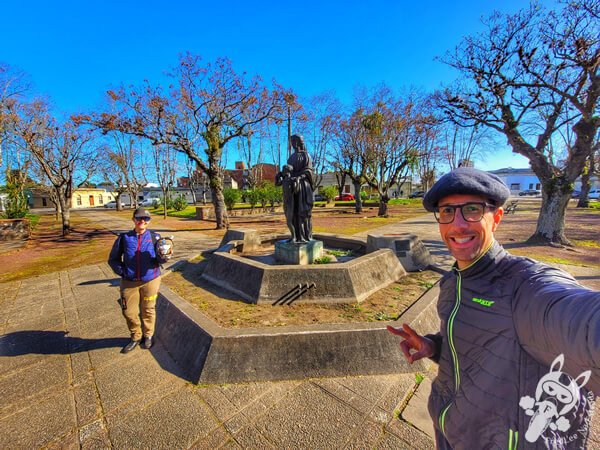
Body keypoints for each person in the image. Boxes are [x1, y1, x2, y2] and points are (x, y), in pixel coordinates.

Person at [387, 167, 599, 449]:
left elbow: (580, 323)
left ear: (496, 217)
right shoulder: (453, 283)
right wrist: (434, 346)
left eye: (472, 210)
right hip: (449, 433)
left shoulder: (524, 286)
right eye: (447, 212)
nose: (458, 224)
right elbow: (480, 342)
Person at [108, 207, 169, 353]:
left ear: (149, 221)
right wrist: (123, 272)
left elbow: (160, 259)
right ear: (133, 219)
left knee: (148, 309)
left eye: (146, 218)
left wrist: (164, 256)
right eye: (139, 218)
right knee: (128, 312)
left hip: (151, 280)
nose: (142, 221)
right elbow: (113, 259)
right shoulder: (124, 238)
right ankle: (136, 336)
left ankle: (148, 335)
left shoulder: (155, 237)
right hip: (129, 282)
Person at [276, 134, 315, 243]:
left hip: (303, 187)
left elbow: (309, 171)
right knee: (293, 212)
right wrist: (281, 174)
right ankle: (295, 236)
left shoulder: (306, 156)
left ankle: (304, 236)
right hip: (293, 188)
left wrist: (299, 177)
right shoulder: (291, 157)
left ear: (298, 142)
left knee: (302, 213)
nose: (292, 144)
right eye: (291, 141)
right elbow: (288, 171)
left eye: (294, 141)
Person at [275, 164, 298, 242]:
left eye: (283, 169)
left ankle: (294, 237)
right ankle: (293, 236)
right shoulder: (284, 181)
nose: (282, 171)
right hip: (285, 202)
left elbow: (296, 190)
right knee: (289, 221)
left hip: (291, 202)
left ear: (287, 170)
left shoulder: (292, 179)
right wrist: (277, 176)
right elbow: (276, 184)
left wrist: (296, 182)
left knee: (289, 221)